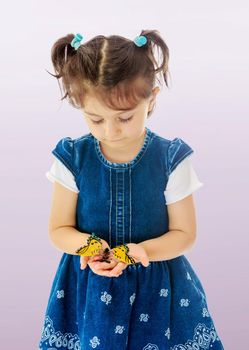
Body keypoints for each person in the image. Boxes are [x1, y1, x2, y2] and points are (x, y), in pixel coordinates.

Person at [38, 30, 224, 350]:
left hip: (159, 289)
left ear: (151, 97)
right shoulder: (72, 158)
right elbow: (58, 229)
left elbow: (184, 233)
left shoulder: (170, 158)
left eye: (125, 117)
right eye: (95, 119)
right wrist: (88, 245)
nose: (110, 131)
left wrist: (144, 251)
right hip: (90, 287)